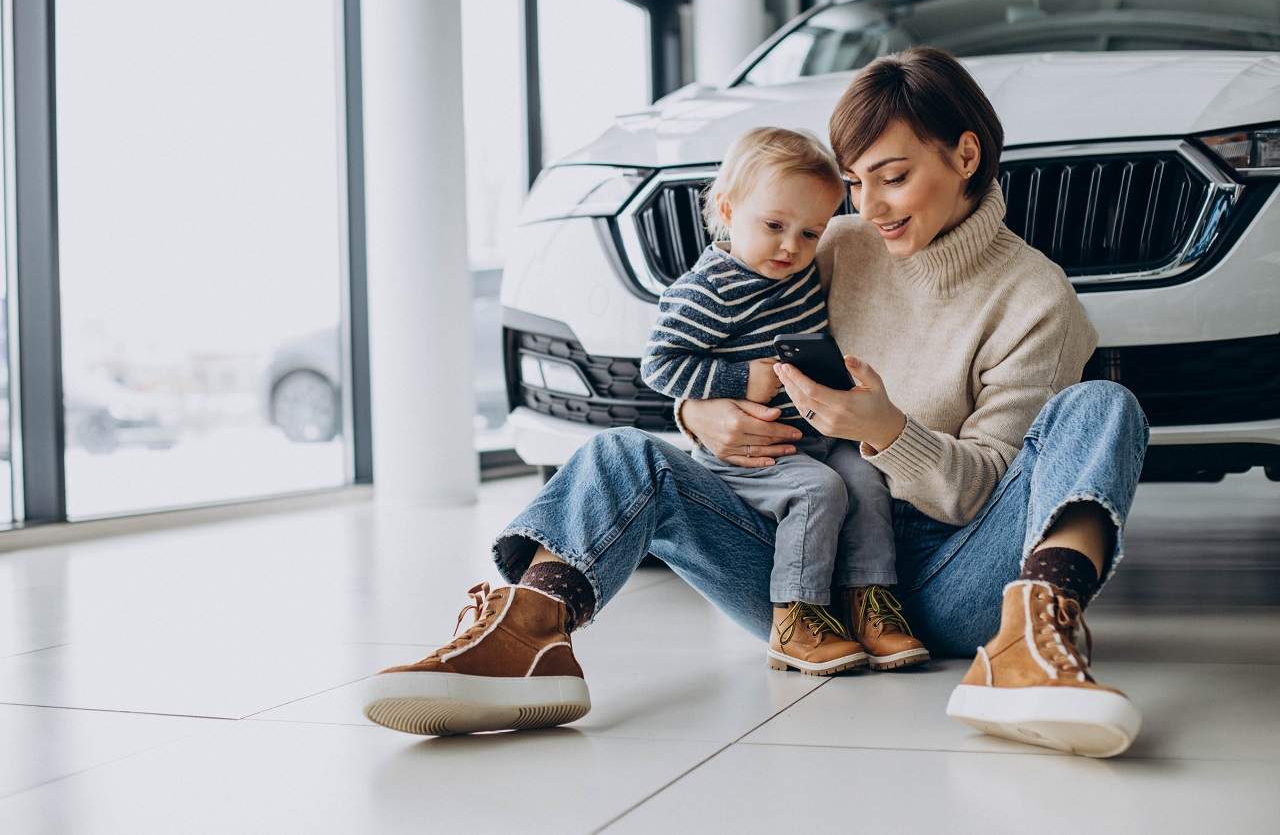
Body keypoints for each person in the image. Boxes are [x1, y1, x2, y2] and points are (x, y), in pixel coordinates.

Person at [361, 47, 1149, 759]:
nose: (869, 207)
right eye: (856, 181)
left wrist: (887, 432)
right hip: (802, 576)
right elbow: (728, 349)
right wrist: (701, 412)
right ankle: (529, 637)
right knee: (618, 455)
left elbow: (989, 487)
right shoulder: (833, 246)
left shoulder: (1034, 297)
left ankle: (1035, 641)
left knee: (1104, 406)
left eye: (895, 175)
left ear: (966, 154)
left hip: (953, 579)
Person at [639, 125, 927, 675]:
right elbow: (659, 365)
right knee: (818, 491)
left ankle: (870, 604)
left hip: (816, 436)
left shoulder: (797, 272)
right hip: (754, 453)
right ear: (727, 210)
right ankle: (796, 618)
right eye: (774, 226)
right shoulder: (709, 291)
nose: (791, 247)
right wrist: (740, 381)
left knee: (866, 478)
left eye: (810, 232)